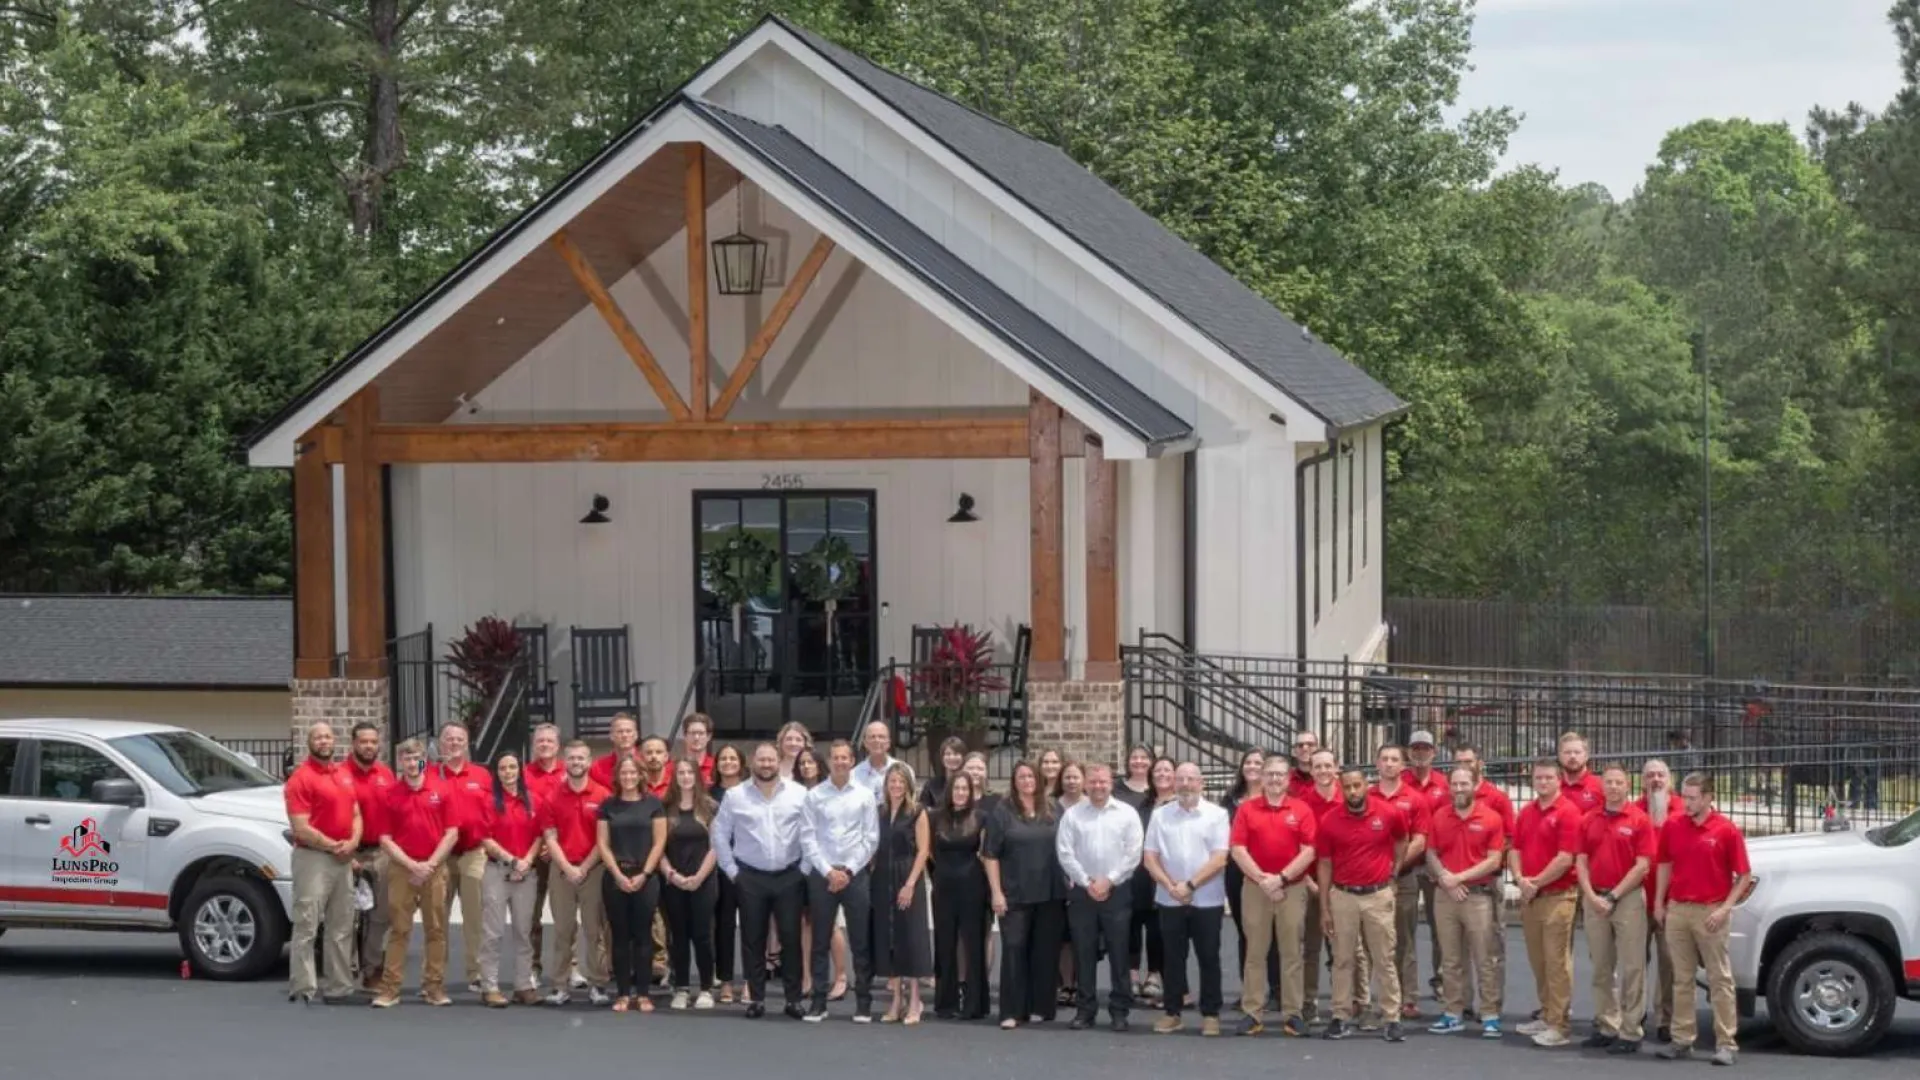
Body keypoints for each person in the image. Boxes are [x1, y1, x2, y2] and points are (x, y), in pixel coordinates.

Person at [1653, 773, 1750, 1066]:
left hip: (1711, 911)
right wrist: (1660, 901)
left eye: (1693, 797)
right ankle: (1682, 1039)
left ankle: (1726, 1042)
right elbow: (1665, 864)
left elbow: (1744, 875)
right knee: (1682, 978)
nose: (1687, 803)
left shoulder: (1725, 830)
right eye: (1685, 796)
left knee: (1719, 978)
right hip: (1678, 910)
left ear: (1709, 798)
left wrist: (1724, 909)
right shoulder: (1673, 825)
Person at [714, 742, 810, 1020]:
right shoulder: (735, 796)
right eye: (761, 760)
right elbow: (719, 834)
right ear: (753, 763)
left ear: (779, 761)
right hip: (750, 877)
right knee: (752, 940)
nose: (766, 764)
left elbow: (810, 831)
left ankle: (793, 1000)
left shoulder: (799, 793)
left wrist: (804, 869)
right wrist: (732, 871)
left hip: (789, 876)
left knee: (790, 939)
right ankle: (756, 998)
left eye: (770, 760)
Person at [1316, 766, 1409, 1042]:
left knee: (1384, 958)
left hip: (1378, 895)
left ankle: (1392, 1017)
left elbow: (1403, 840)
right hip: (1343, 896)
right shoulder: (1330, 820)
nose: (1353, 791)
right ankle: (1340, 1016)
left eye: (1357, 785)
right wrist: (1324, 907)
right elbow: (1324, 864)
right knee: (1342, 959)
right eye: (1347, 787)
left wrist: (1394, 872)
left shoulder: (1389, 813)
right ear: (1340, 787)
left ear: (1366, 784)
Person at [1229, 754, 1318, 1037]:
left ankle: (1293, 1013)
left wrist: (1281, 878)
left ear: (1288, 778)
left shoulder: (1301, 809)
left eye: (1280, 774)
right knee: (1255, 952)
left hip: (1291, 889)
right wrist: (1263, 880)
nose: (1275, 779)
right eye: (1270, 774)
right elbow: (1238, 849)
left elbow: (1309, 850)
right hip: (1256, 889)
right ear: (1262, 777)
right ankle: (1252, 1012)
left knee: (1292, 952)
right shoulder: (1247, 809)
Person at [1143, 762, 1231, 1036]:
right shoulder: (1161, 815)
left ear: (1201, 783)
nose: (1185, 784)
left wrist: (1190, 885)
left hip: (1207, 899)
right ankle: (1172, 1012)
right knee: (1173, 958)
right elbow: (1150, 857)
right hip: (1170, 899)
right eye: (1180, 779)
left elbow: (1219, 857)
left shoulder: (1217, 815)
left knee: (1208, 957)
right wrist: (1171, 886)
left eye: (1191, 779)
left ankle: (1211, 1014)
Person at [1577, 762, 1657, 1054]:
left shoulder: (1639, 820)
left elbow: (1643, 865)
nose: (1612, 787)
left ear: (1627, 786)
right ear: (1602, 786)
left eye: (1618, 782)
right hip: (1594, 898)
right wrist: (1591, 896)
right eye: (1608, 782)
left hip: (1627, 900)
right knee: (1601, 966)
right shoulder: (1588, 819)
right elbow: (1581, 860)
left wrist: (1613, 896)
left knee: (1632, 967)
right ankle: (1607, 1024)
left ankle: (1631, 1030)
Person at [1057, 762, 1143, 1032]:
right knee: (1084, 953)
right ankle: (1085, 1010)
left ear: (1111, 783)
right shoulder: (1073, 815)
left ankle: (1119, 1011)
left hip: (1117, 891)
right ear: (1086, 785)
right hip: (1083, 893)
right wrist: (1086, 882)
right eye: (1093, 782)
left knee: (1120, 953)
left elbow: (1133, 852)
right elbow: (1065, 852)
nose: (1098, 786)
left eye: (1103, 782)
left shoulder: (1127, 814)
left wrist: (1110, 880)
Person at [372, 738, 457, 1008]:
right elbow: (384, 838)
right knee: (399, 930)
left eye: (416, 758)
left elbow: (452, 832)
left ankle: (434, 987)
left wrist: (429, 864)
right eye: (406, 759)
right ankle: (390, 989)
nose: (411, 763)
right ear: (400, 762)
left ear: (424, 760)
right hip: (402, 869)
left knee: (436, 930)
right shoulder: (391, 795)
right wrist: (412, 865)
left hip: (434, 868)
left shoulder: (442, 790)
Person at [1424, 764, 1507, 1039]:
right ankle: (1453, 1013)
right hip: (1445, 896)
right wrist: (1445, 877)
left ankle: (1490, 1014)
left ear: (1475, 785)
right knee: (1450, 959)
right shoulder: (1439, 816)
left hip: (1478, 897)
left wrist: (1458, 878)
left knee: (1485, 957)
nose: (1459, 789)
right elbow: (1431, 852)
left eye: (1464, 784)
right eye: (1455, 784)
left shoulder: (1491, 817)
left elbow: (1494, 860)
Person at [800, 740, 878, 1023]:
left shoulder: (865, 796)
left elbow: (871, 839)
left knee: (860, 941)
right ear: (829, 761)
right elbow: (807, 837)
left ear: (852, 760)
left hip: (855, 875)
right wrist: (828, 872)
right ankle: (818, 1003)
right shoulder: (815, 796)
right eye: (836, 757)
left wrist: (848, 872)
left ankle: (864, 1004)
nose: (841, 762)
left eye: (845, 757)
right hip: (823, 875)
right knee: (819, 940)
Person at [984, 760, 1066, 1029]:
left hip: (1051, 892)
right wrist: (996, 892)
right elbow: (990, 855)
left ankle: (1040, 1007)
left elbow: (1068, 846)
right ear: (1014, 781)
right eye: (1021, 776)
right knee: (1014, 949)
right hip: (1015, 893)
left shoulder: (1054, 808)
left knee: (1044, 952)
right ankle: (1011, 1010)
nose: (1027, 780)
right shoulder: (1002, 811)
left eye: (1031, 775)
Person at [284, 721, 362, 1005]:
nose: (324, 741)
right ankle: (303, 987)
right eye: (318, 737)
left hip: (342, 859)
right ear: (309, 742)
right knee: (307, 923)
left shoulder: (343, 774)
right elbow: (300, 827)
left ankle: (340, 987)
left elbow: (356, 813)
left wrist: (353, 842)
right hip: (313, 858)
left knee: (342, 925)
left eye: (328, 736)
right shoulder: (300, 779)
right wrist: (334, 846)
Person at [1512, 758, 1582, 1047]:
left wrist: (1536, 882)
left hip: (1558, 896)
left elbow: (1566, 858)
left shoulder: (1568, 812)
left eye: (1548, 778)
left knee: (1556, 962)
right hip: (1531, 896)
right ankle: (1547, 1012)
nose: (1542, 782)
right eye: (1538, 778)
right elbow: (1514, 848)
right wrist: (1520, 879)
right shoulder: (1527, 812)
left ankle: (1560, 1025)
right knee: (1538, 960)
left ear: (1559, 780)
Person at [540, 740, 612, 1006]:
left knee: (595, 930)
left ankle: (598, 984)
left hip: (593, 870)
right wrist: (568, 868)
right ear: (564, 761)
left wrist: (583, 867)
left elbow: (603, 840)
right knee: (562, 931)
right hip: (562, 872)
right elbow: (550, 837)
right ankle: (560, 985)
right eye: (571, 758)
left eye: (581, 758)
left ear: (589, 761)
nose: (576, 763)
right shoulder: (552, 797)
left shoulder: (603, 795)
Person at [596, 756, 667, 1012]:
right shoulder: (608, 805)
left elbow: (659, 842)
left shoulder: (653, 804)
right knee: (620, 936)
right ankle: (623, 993)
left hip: (645, 878)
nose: (627, 777)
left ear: (640, 776)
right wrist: (617, 874)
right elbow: (602, 843)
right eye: (623, 773)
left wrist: (645, 874)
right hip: (616, 877)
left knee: (643, 935)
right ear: (618, 777)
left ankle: (644, 993)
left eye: (632, 773)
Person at [430, 722, 494, 992]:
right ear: (440, 743)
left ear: (466, 743)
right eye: (448, 739)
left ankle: (476, 972)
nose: (454, 743)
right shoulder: (428, 772)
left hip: (473, 853)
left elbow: (494, 812)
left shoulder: (482, 775)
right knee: (436, 918)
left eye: (459, 739)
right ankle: (434, 975)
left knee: (475, 917)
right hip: (439, 856)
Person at [1450, 743, 1512, 1023]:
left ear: (1480, 763)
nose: (1465, 764)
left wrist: (1485, 869)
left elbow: (1509, 839)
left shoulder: (1497, 798)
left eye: (1469, 760)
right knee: (1457, 949)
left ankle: (1492, 1004)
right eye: (1459, 761)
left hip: (1488, 882)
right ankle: (1461, 1002)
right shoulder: (1451, 796)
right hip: (1454, 886)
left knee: (1490, 947)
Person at [1370, 744, 1432, 1021]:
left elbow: (1420, 839)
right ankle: (1375, 998)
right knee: (1373, 940)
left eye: (1395, 759)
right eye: (1384, 759)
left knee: (1404, 938)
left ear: (1403, 765)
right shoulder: (1365, 795)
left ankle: (1408, 998)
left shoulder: (1415, 798)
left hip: (1403, 878)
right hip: (1370, 881)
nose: (1389, 764)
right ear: (1376, 764)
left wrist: (1394, 867)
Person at [477, 752, 543, 1007]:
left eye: (512, 767)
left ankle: (523, 985)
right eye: (503, 768)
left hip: (527, 873)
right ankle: (489, 986)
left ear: (520, 769)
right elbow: (485, 838)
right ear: (497, 772)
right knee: (492, 933)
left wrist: (526, 861)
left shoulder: (533, 800)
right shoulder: (487, 801)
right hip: (497, 871)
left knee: (523, 932)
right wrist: (512, 860)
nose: (508, 772)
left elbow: (540, 835)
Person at [871, 762, 933, 1024]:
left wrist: (909, 884)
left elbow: (923, 850)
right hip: (883, 877)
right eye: (891, 781)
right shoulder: (880, 812)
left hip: (908, 876)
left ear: (908, 784)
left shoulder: (917, 812)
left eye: (900, 781)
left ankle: (915, 1000)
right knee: (888, 937)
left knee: (911, 937)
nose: (896, 786)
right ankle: (896, 999)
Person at [1220, 748, 1279, 1015]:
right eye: (1249, 762)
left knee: (1276, 932)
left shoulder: (1275, 797)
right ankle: (1250, 991)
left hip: (1271, 871)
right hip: (1237, 871)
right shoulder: (1230, 800)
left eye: (1259, 763)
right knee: (1246, 930)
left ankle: (1277, 990)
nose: (1253, 766)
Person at [661, 757, 720, 1010]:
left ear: (697, 776)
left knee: (703, 935)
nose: (685, 776)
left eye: (689, 772)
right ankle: (682, 988)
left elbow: (716, 847)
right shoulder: (665, 808)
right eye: (680, 772)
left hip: (703, 880)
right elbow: (658, 848)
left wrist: (698, 877)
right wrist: (672, 875)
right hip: (673, 881)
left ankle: (706, 987)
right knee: (678, 935)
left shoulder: (710, 807)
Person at [932, 771, 991, 1021]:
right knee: (944, 943)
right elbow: (928, 852)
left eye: (965, 789)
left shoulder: (982, 817)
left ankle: (974, 1004)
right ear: (949, 791)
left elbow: (987, 853)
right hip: (943, 886)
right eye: (956, 788)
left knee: (973, 944)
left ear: (971, 791)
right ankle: (946, 1002)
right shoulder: (935, 817)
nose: (960, 792)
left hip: (972, 886)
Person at [345, 721, 396, 992]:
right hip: (348, 852)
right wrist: (347, 853)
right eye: (363, 741)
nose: (369, 746)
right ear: (353, 743)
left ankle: (372, 969)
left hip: (380, 852)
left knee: (381, 914)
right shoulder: (341, 774)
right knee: (348, 917)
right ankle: (346, 972)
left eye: (373, 742)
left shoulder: (386, 774)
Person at [1636, 758, 1680, 1043]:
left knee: (1669, 962)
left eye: (1660, 775)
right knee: (1635, 962)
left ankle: (1665, 1019)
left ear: (1670, 780)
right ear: (1642, 781)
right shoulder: (1633, 811)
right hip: (1638, 899)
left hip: (1671, 900)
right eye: (1650, 775)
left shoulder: (1682, 810)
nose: (1655, 780)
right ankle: (1634, 1015)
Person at [1404, 729, 1449, 1001]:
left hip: (1435, 865)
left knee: (1440, 928)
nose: (1421, 753)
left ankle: (1441, 979)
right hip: (1407, 864)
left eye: (1426, 748)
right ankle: (1407, 988)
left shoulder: (1444, 785)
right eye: (1416, 748)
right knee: (1404, 931)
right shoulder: (1399, 783)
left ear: (1434, 752)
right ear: (1409, 752)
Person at [1299, 748, 1342, 1019]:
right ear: (1311, 770)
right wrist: (1308, 882)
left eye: (1328, 765)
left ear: (1336, 767)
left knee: (1344, 950)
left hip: (1343, 886)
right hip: (1310, 883)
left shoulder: (1349, 797)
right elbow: (1295, 847)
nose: (1323, 771)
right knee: (1311, 949)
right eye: (1318, 766)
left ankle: (1344, 1003)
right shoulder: (1301, 802)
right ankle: (1309, 1002)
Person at [522, 723, 565, 990]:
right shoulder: (523, 775)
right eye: (540, 741)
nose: (545, 745)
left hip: (563, 853)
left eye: (550, 741)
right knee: (531, 915)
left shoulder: (569, 772)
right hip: (533, 853)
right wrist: (541, 846)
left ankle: (569, 968)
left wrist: (555, 843)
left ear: (558, 745)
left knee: (565, 916)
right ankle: (532, 967)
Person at [710, 743, 748, 1004]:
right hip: (720, 867)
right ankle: (725, 981)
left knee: (751, 926)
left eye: (733, 758)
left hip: (748, 867)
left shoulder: (751, 791)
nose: (728, 762)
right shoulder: (708, 794)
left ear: (741, 763)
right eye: (723, 758)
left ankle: (749, 981)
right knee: (723, 927)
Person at [851, 719, 911, 799]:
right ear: (865, 743)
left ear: (888, 743)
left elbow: (910, 802)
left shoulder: (905, 771)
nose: (877, 740)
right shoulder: (854, 775)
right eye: (872, 737)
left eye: (881, 736)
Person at [589, 712, 644, 789]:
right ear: (611, 736)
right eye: (620, 732)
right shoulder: (597, 768)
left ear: (636, 735)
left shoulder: (646, 763)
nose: (624, 735)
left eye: (628, 731)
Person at [918, 736, 968, 810]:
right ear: (942, 758)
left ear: (963, 757)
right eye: (948, 754)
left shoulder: (969, 784)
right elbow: (922, 811)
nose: (951, 758)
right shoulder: (931, 786)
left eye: (956, 754)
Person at [1559, 732, 1602, 814]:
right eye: (1567, 752)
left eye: (1577, 752)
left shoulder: (1600, 786)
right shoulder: (1553, 786)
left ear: (1586, 756)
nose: (1572, 756)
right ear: (1560, 756)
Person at [680, 713, 717, 785]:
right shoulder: (674, 767)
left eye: (701, 733)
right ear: (685, 736)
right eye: (693, 733)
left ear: (708, 736)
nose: (696, 737)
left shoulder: (716, 766)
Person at [1288, 732, 1320, 799]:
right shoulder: (1285, 779)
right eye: (1300, 745)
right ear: (1294, 751)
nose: (1305, 748)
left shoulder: (1327, 778)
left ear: (1317, 749)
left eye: (1310, 744)